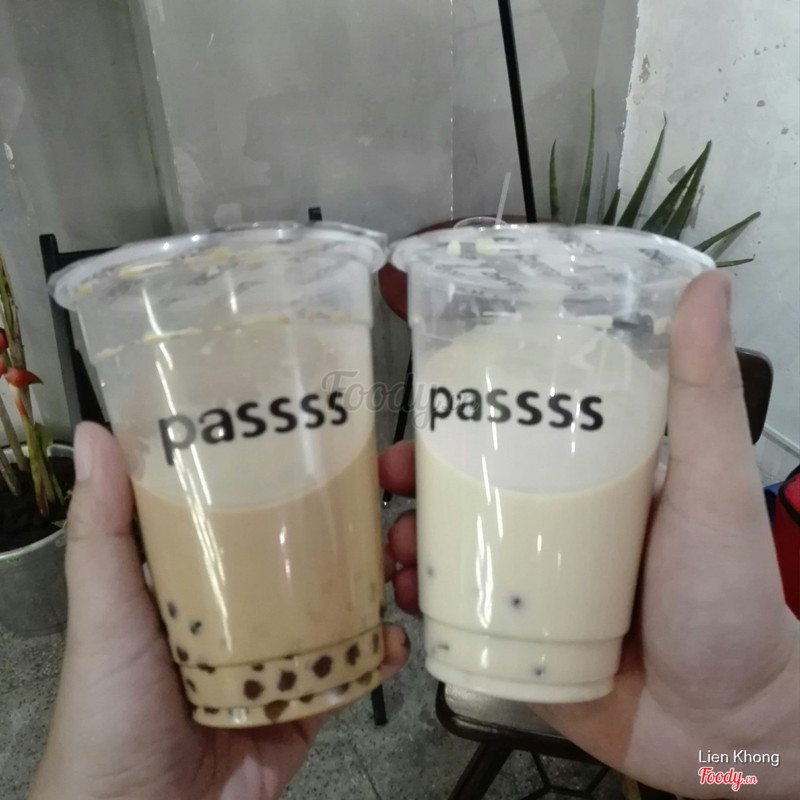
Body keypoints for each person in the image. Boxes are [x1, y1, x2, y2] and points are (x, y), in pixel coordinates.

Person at [29, 271, 798, 800]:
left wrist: (744, 749)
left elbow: (746, 769)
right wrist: (749, 748)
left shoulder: (744, 760)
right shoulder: (751, 760)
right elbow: (753, 768)